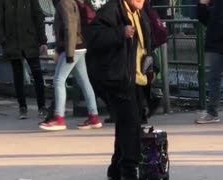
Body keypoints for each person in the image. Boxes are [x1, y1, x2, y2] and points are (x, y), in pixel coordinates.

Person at [85, 0, 151, 179]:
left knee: (127, 124)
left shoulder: (139, 13)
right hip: (118, 78)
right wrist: (120, 32)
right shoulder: (112, 10)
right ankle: (129, 170)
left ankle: (116, 168)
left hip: (136, 78)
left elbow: (145, 45)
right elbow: (91, 35)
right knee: (131, 126)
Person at [39, 0, 102, 131]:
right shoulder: (69, 2)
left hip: (72, 47)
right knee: (84, 82)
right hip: (79, 45)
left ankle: (59, 118)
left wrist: (67, 53)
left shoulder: (63, 3)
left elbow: (69, 26)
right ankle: (93, 116)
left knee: (58, 80)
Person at [0, 0, 48, 119]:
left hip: (30, 41)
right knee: (18, 76)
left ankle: (42, 106)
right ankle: (22, 107)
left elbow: (38, 16)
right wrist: (3, 41)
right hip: (13, 43)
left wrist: (42, 40)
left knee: (37, 74)